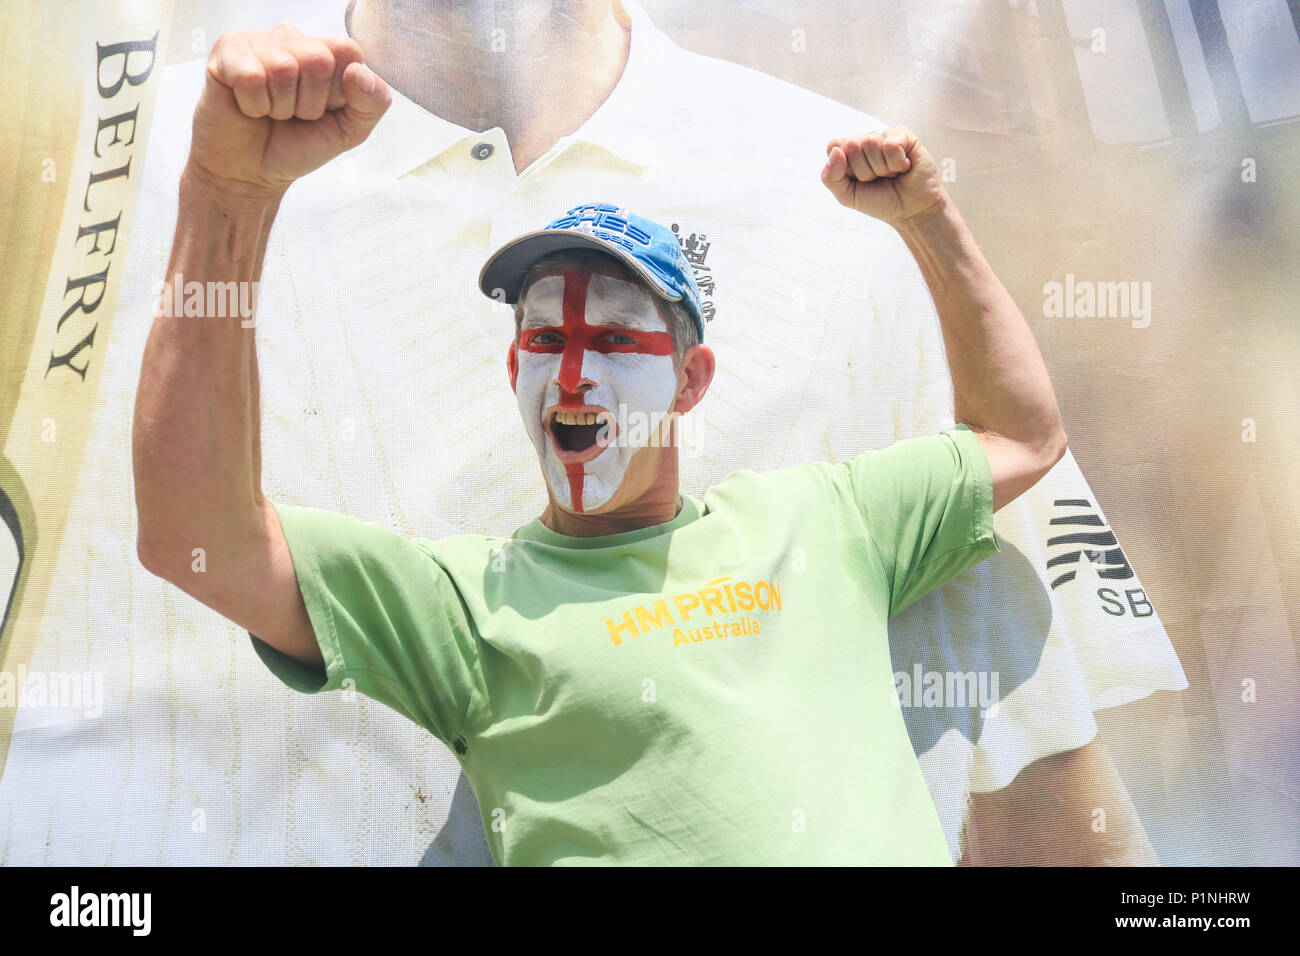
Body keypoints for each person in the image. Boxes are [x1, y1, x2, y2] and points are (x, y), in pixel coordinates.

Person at [133, 28, 1072, 865]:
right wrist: (228, 195)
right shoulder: (464, 608)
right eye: (545, 339)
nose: (572, 374)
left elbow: (1022, 436)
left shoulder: (828, 520)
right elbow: (193, 535)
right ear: (516, 370)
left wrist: (928, 222)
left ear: (692, 380)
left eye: (616, 339)